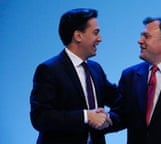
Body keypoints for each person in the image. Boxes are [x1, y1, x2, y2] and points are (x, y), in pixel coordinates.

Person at [30, 8, 121, 144]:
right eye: (95, 33)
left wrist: (108, 118)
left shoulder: (95, 69)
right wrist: (85, 116)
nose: (100, 39)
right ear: (78, 36)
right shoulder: (49, 70)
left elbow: (118, 99)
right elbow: (41, 117)